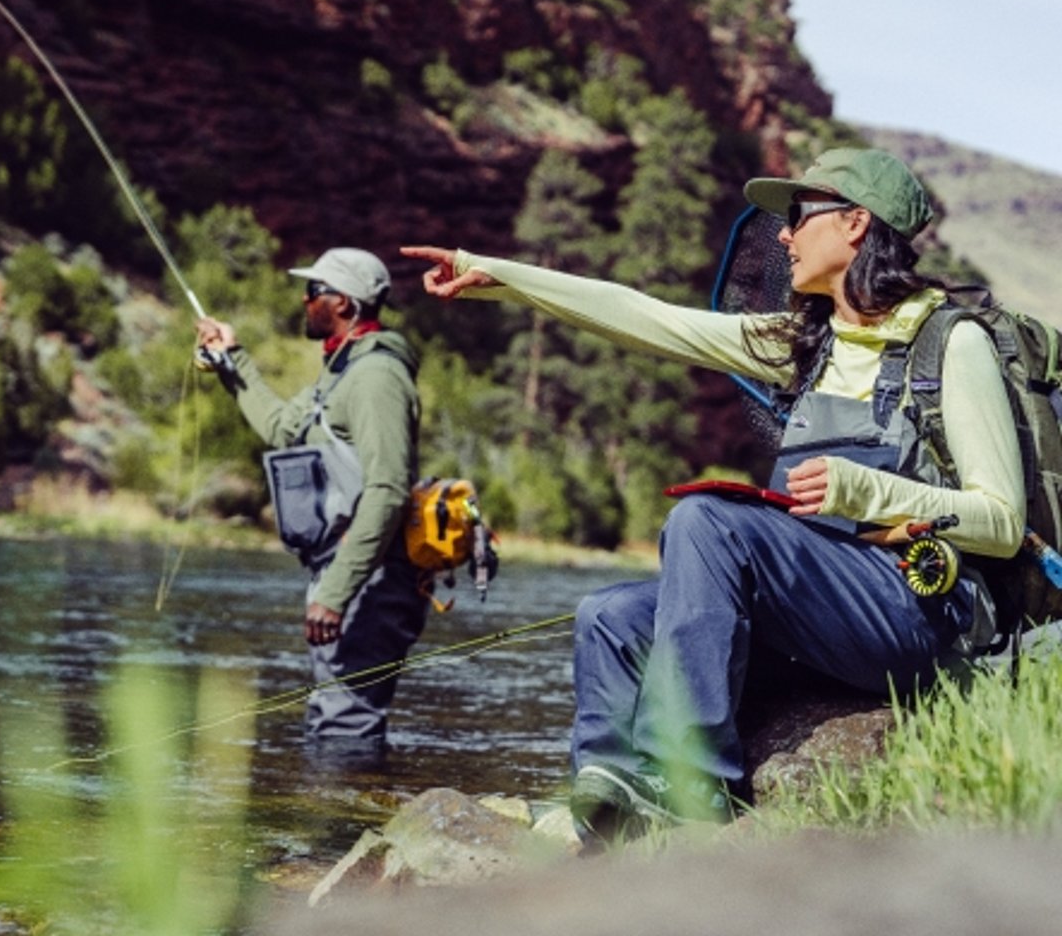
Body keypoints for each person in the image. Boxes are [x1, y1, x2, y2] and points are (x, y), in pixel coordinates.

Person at [401, 145, 1025, 841]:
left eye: (798, 215)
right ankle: (605, 802)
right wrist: (502, 278)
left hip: (916, 616)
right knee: (609, 614)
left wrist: (864, 489)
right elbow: (646, 317)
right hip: (818, 615)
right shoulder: (802, 342)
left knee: (709, 519)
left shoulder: (952, 344)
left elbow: (1000, 521)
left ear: (854, 224)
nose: (783, 234)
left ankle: (692, 783)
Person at [196, 247, 427, 762]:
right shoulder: (341, 370)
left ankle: (346, 837)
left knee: (345, 719)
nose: (305, 301)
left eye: (314, 293)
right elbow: (282, 429)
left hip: (371, 576)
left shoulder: (377, 378)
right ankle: (343, 835)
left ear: (342, 302)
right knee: (332, 714)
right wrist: (231, 360)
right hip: (348, 570)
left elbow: (388, 488)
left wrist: (336, 592)